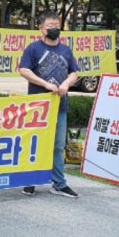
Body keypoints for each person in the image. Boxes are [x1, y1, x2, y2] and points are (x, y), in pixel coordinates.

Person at [19, 11, 80, 199]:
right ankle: (29, 181)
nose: (54, 28)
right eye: (50, 25)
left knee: (58, 145)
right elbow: (23, 69)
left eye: (56, 25)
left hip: (60, 106)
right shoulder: (33, 49)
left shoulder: (66, 50)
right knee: (35, 144)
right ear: (41, 28)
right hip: (38, 106)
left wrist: (66, 83)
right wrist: (45, 84)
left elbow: (75, 72)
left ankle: (59, 183)